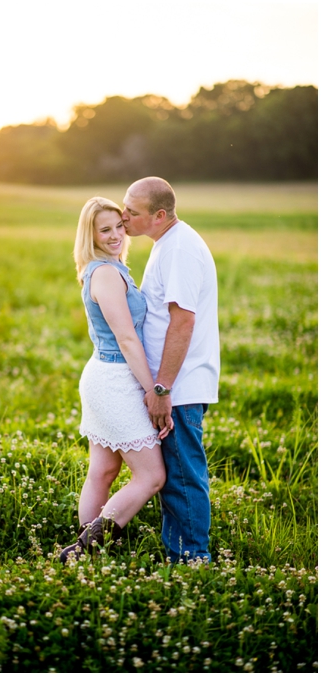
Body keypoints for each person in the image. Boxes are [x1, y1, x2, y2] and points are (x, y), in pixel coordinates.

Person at [59, 197, 169, 565]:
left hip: (107, 376)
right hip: (115, 380)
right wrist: (154, 389)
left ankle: (83, 550)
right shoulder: (105, 273)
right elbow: (126, 339)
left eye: (119, 226)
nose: (116, 235)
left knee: (103, 471)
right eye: (105, 230)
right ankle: (85, 550)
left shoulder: (111, 267)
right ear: (90, 235)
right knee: (151, 477)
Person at [121, 177, 219, 563]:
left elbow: (182, 323)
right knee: (176, 474)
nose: (123, 215)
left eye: (132, 211)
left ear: (159, 216)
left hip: (178, 386)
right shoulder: (169, 243)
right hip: (174, 383)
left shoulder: (179, 249)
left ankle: (193, 560)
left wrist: (161, 389)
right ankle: (183, 553)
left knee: (181, 476)